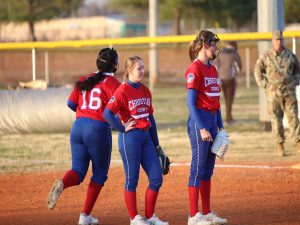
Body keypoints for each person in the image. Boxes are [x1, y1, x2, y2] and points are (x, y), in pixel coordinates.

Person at [46, 47, 121, 225]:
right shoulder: (114, 84)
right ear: (115, 65)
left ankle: (63, 184)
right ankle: (84, 216)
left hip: (78, 127)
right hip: (97, 128)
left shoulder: (85, 78)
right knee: (100, 174)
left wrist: (85, 112)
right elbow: (117, 110)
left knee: (78, 171)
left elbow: (71, 103)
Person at [103, 56, 168, 225]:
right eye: (138, 68)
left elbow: (151, 119)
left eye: (143, 67)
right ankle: (134, 218)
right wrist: (121, 127)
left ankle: (150, 217)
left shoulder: (146, 90)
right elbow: (107, 113)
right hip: (129, 138)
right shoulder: (122, 90)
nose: (142, 71)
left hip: (146, 138)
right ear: (129, 70)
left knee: (156, 178)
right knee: (132, 179)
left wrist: (157, 145)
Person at [185, 30, 228, 225]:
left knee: (208, 170)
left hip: (212, 119)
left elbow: (216, 101)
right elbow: (191, 103)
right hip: (199, 121)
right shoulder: (195, 69)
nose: (215, 48)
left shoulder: (212, 69)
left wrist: (221, 127)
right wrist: (202, 128)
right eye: (213, 44)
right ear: (204, 45)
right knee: (198, 169)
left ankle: (207, 212)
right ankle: (194, 216)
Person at [254, 30, 300, 156]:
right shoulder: (266, 56)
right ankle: (280, 145)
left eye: (280, 40)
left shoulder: (290, 56)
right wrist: (265, 85)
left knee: (294, 118)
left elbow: (297, 71)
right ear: (272, 41)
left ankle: (298, 142)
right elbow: (257, 71)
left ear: (283, 41)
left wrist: (295, 81)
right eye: (276, 40)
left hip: (289, 92)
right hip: (273, 93)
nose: (278, 42)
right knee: (276, 120)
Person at [215, 41, 242, 124]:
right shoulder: (234, 53)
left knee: (226, 99)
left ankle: (228, 118)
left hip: (221, 78)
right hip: (231, 78)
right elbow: (239, 66)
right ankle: (229, 118)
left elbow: (216, 65)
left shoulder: (220, 53)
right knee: (230, 100)